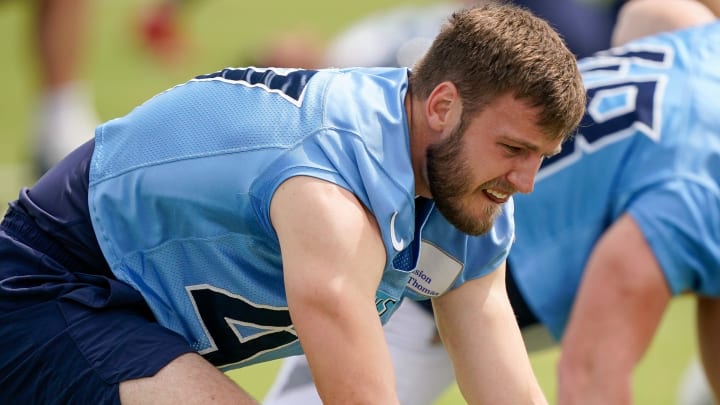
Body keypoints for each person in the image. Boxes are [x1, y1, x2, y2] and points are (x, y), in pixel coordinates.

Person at [0, 3, 586, 404]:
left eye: (541, 154)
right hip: (50, 287)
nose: (526, 181)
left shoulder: (458, 181)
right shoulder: (331, 191)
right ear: (441, 107)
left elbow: (505, 387)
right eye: (512, 148)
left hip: (136, 320)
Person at [263, 1, 720, 404]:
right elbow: (591, 378)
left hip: (471, 255)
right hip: (418, 272)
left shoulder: (703, 42)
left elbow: (652, 14)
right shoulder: (690, 197)